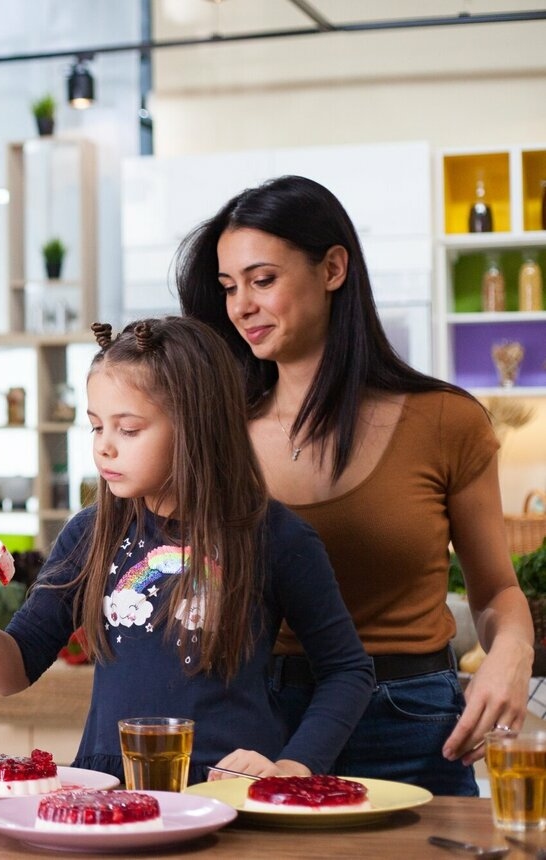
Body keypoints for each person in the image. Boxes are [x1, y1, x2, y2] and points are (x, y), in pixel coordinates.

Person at [176, 174, 534, 795]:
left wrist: (511, 654)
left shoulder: (445, 420)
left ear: (333, 268)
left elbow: (497, 590)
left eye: (263, 280)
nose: (241, 306)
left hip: (410, 725)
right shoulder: (216, 433)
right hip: (257, 732)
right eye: (230, 287)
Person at [0, 316, 373, 784]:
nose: (104, 448)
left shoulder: (276, 536)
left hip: (228, 789)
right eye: (95, 427)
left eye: (127, 429)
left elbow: (347, 671)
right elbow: (12, 672)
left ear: (197, 427)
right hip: (109, 789)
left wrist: (292, 768)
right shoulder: (89, 534)